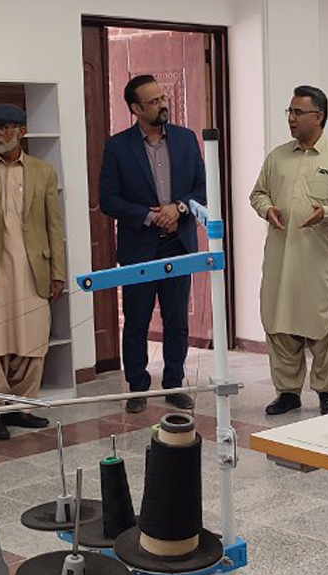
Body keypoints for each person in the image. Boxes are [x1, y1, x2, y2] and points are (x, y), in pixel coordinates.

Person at [250, 85, 328, 416]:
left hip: (321, 263)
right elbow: (257, 194)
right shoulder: (277, 157)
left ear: (319, 117)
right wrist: (266, 209)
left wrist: (326, 213)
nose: (291, 118)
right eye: (289, 111)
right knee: (280, 326)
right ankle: (287, 392)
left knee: (326, 329)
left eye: (298, 112)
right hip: (281, 262)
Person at [0, 104, 66, 440]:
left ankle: (19, 408)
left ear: (22, 130)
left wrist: (58, 272)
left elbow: (54, 226)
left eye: (4, 127)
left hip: (33, 270)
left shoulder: (43, 171)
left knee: (31, 342)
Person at [99, 74, 206, 414]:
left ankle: (174, 383)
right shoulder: (117, 147)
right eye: (154, 101)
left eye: (163, 98)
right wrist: (149, 216)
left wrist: (179, 208)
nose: (163, 104)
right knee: (136, 321)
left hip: (179, 244)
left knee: (177, 321)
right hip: (139, 248)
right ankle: (137, 387)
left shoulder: (186, 140)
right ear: (135, 108)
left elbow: (202, 188)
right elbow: (108, 200)